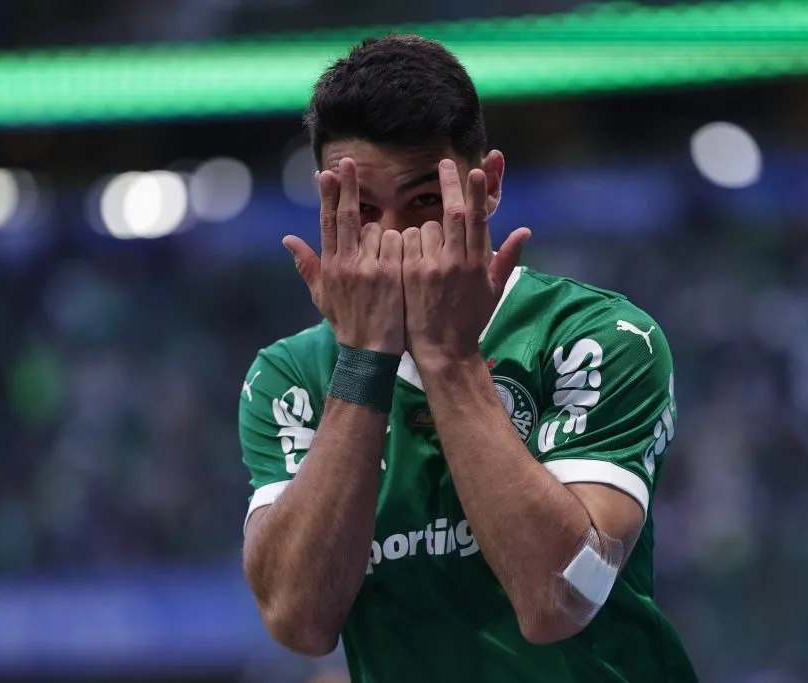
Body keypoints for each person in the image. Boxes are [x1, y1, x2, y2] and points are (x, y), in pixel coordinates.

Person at [239, 34, 698, 683]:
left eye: (426, 201)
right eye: (363, 211)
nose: (395, 241)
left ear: (489, 188)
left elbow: (560, 598)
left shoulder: (601, 337)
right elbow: (300, 620)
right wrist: (364, 360)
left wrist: (448, 358)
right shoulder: (289, 377)